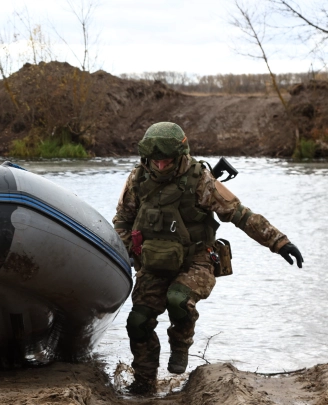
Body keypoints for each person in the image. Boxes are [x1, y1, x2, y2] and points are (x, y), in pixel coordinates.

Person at [112, 122, 303, 395]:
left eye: (167, 161)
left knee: (178, 300)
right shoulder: (138, 180)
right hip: (153, 263)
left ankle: (180, 343)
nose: (161, 166)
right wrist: (129, 251)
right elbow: (122, 220)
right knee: (137, 322)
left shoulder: (200, 180)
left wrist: (280, 242)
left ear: (178, 156)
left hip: (196, 260)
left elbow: (240, 215)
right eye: (156, 161)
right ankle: (144, 383)